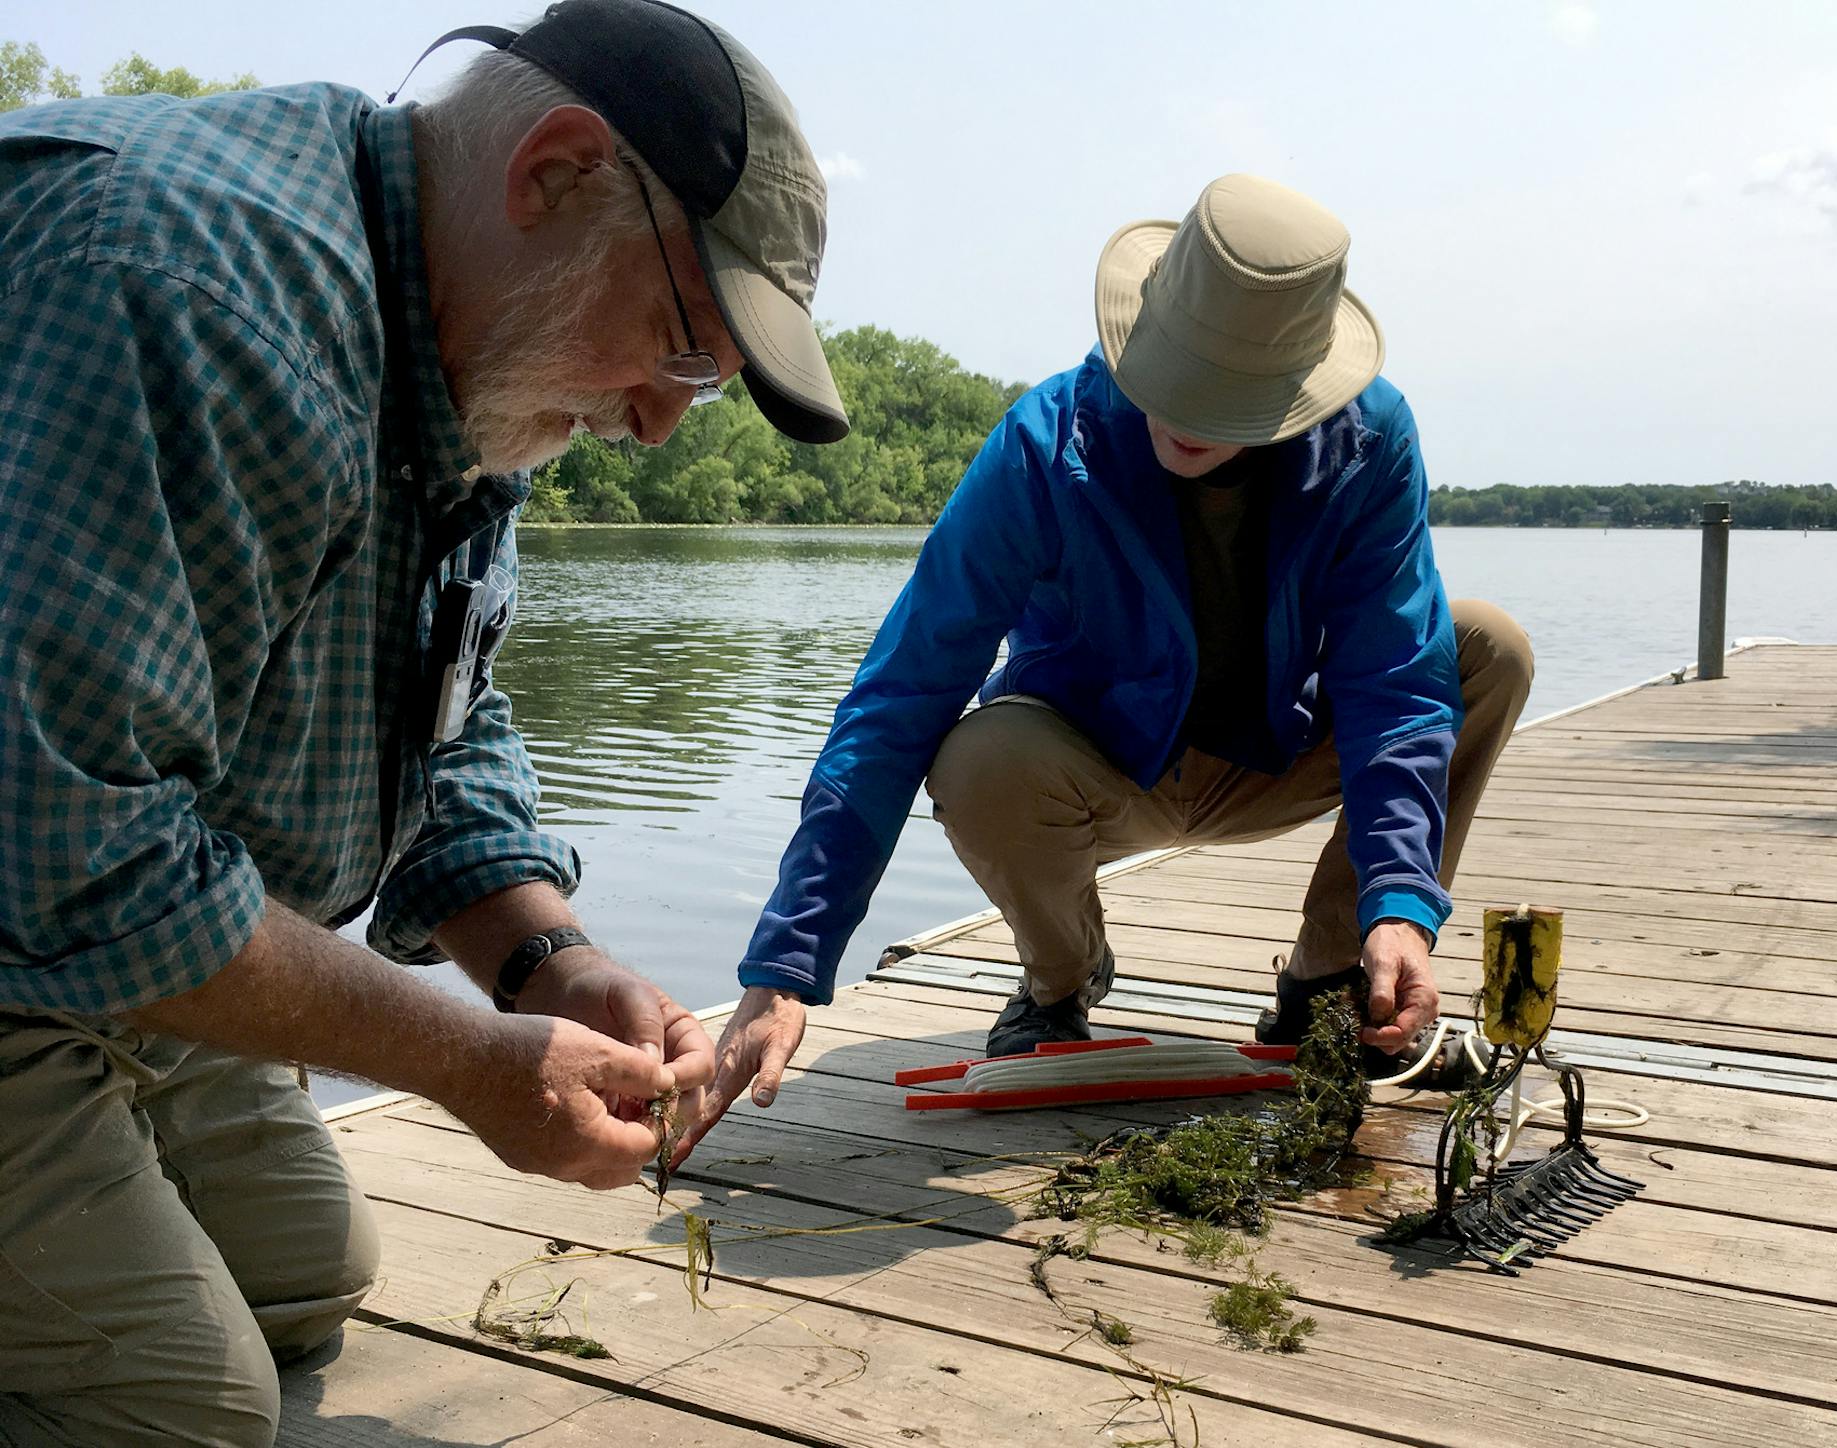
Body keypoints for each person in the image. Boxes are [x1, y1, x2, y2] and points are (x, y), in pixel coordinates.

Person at [0, 2, 846, 1441]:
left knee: (304, 1281)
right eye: (679, 346)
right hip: (33, 919)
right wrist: (463, 1065)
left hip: (102, 942)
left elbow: (441, 719)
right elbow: (69, 852)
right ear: (555, 171)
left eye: (696, 390)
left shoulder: (476, 349)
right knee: (178, 1408)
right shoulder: (188, 287)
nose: (655, 422)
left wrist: (547, 965)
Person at [689, 173, 1533, 1151]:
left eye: (1227, 397)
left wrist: (1400, 903)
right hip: (1093, 772)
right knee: (975, 755)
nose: (1184, 411)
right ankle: (1060, 982)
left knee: (1483, 649)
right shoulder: (1044, 447)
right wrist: (786, 963)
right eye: (1170, 373)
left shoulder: (1369, 440)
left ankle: (1330, 981)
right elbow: (898, 695)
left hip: (1271, 754)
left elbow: (1395, 685)